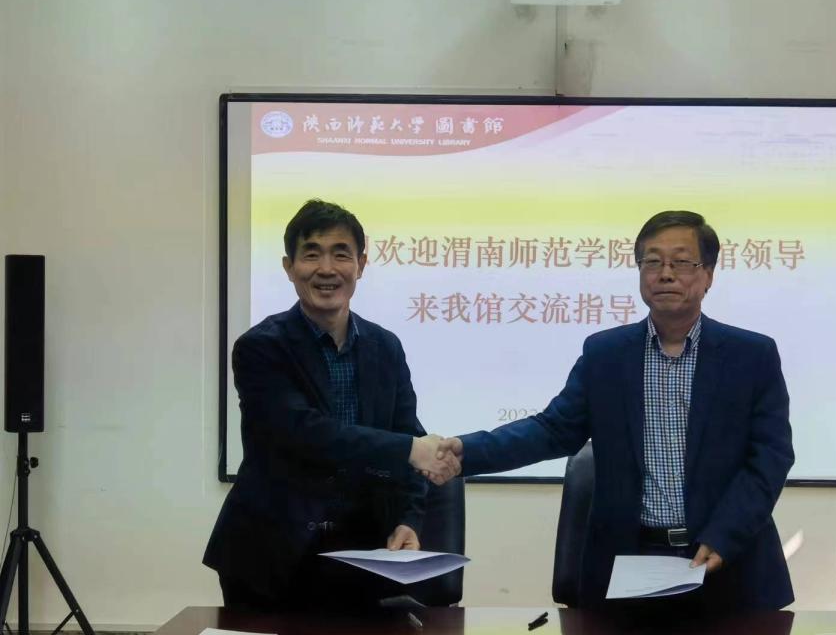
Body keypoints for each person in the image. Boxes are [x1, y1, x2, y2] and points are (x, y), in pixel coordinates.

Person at [431, 211, 795, 614]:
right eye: (652, 262)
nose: (665, 274)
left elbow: (770, 457)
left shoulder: (751, 356)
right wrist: (467, 451)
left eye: (681, 262)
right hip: (627, 569)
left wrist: (726, 535)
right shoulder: (606, 354)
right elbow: (553, 430)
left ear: (708, 274)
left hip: (728, 565)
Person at [204, 199, 454, 611]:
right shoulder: (261, 348)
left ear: (361, 265)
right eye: (311, 254)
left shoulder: (385, 347)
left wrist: (407, 519)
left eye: (341, 254)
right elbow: (304, 433)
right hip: (271, 557)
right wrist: (409, 449)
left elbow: (407, 434)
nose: (326, 268)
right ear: (289, 267)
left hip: (361, 557)